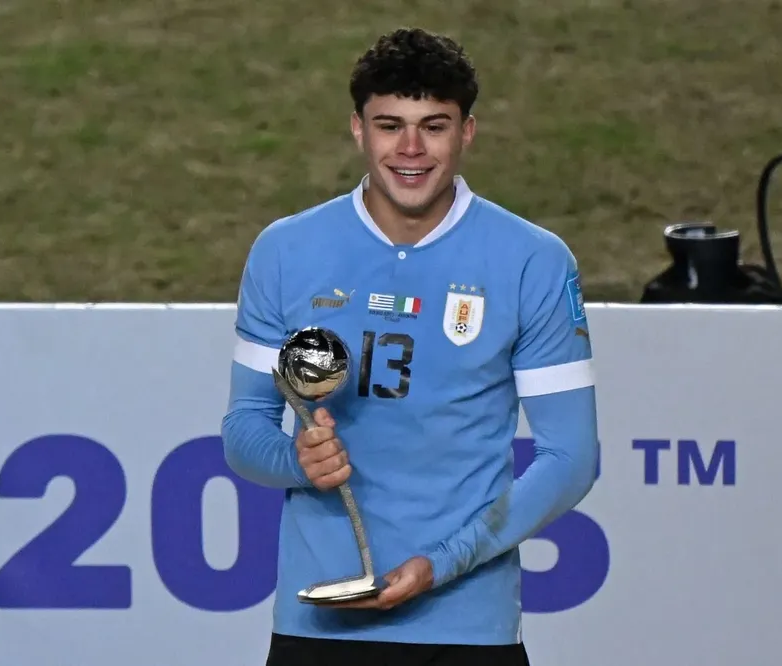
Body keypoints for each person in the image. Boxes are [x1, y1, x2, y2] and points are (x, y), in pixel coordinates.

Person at [221, 26, 600, 666]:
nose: (411, 149)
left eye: (435, 125)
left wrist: (444, 563)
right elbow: (243, 431)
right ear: (358, 129)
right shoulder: (285, 251)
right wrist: (297, 462)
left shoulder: (531, 260)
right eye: (390, 124)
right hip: (319, 622)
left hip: (466, 628)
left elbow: (571, 456)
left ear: (468, 132)